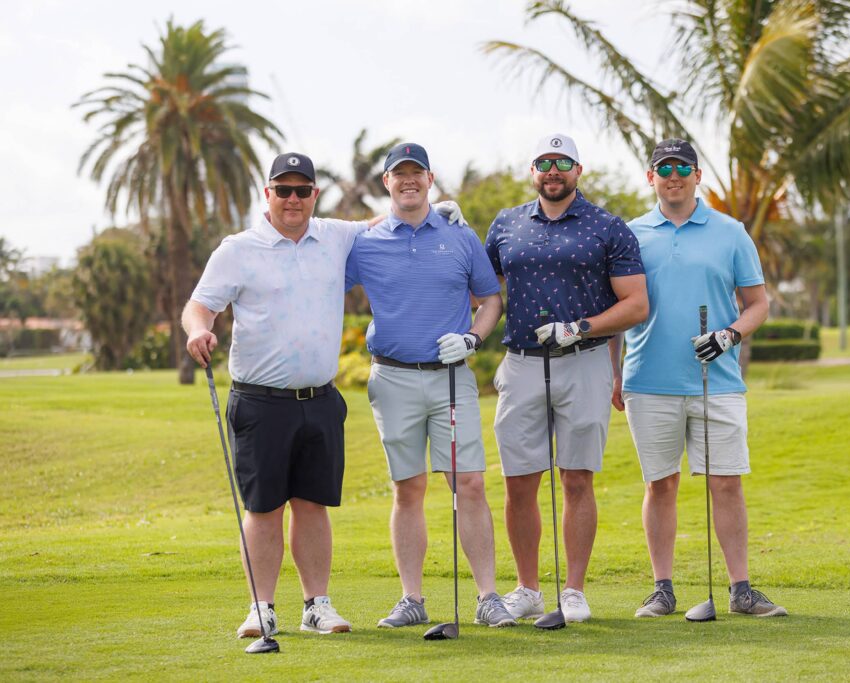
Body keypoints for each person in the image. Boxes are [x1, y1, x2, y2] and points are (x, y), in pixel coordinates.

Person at [183, 152, 468, 639]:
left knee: (313, 505)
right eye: (283, 190)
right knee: (264, 508)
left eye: (302, 190)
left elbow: (387, 220)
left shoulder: (335, 236)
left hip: (319, 399)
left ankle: (317, 604)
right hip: (259, 400)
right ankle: (262, 606)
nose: (293, 200)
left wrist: (439, 208)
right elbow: (200, 306)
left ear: (315, 195)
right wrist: (197, 331)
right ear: (267, 195)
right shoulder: (238, 249)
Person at [611, 139, 786, 619]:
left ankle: (741, 589)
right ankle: (662, 589)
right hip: (647, 378)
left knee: (726, 484)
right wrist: (613, 373)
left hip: (719, 379)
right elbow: (619, 310)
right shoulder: (631, 235)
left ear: (696, 174)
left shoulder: (731, 233)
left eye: (682, 167)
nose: (673, 175)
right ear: (651, 178)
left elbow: (759, 304)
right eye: (663, 168)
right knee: (660, 485)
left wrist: (729, 335)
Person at [345, 142, 517, 629]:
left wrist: (472, 338)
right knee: (408, 488)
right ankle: (412, 598)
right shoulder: (365, 242)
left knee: (469, 484)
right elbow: (319, 271)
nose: (408, 181)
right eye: (398, 174)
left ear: (430, 178)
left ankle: (487, 597)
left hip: (450, 379)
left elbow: (489, 300)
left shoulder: (461, 237)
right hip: (392, 377)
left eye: (416, 173)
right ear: (386, 183)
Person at [485, 133, 648, 622]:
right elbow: (480, 287)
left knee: (577, 478)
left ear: (579, 170)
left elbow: (636, 304)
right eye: (543, 163)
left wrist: (579, 328)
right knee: (519, 482)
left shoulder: (608, 227)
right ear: (532, 171)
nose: (552, 171)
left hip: (584, 360)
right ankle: (528, 588)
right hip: (521, 362)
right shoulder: (506, 224)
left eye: (562, 162)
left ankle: (573, 591)